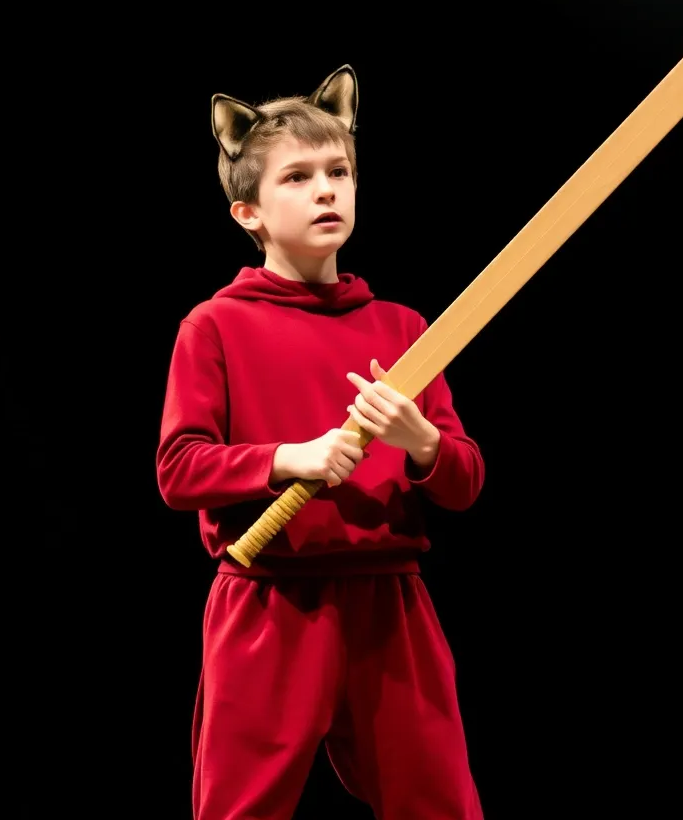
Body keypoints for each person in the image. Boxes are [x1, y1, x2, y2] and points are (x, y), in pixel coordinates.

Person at [157, 66, 486, 819]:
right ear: (247, 211)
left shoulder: (403, 328)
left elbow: (465, 481)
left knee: (438, 804)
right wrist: (287, 459)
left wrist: (421, 441)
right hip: (270, 601)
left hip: (390, 603)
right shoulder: (215, 326)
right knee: (242, 809)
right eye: (298, 177)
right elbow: (178, 470)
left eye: (339, 172)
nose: (327, 191)